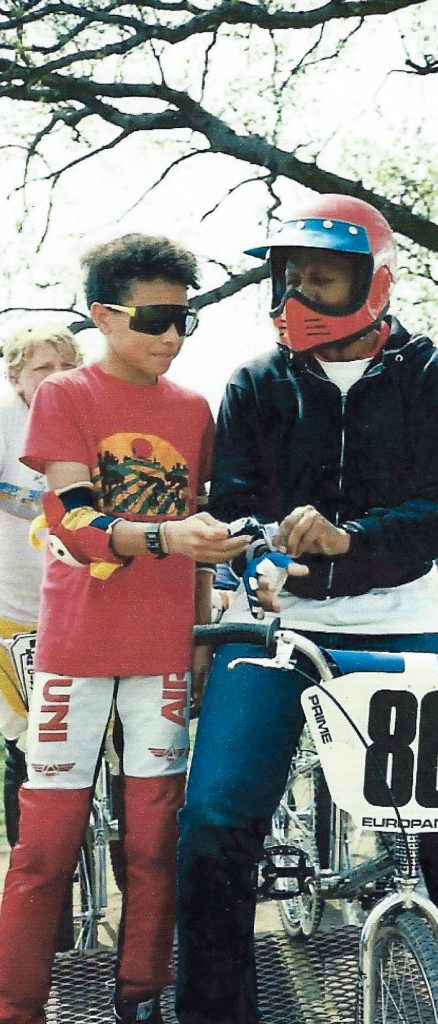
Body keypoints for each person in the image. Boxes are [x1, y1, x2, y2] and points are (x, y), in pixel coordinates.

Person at [176, 195, 438, 1024]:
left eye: (321, 280)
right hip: (273, 629)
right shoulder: (255, 382)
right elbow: (233, 505)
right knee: (213, 822)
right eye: (289, 278)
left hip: (399, 623)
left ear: (372, 283)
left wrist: (352, 538)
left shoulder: (429, 374)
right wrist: (262, 547)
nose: (298, 297)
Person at [0, 233, 250, 1024]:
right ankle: (17, 1007)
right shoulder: (66, 396)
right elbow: (72, 520)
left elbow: (202, 536)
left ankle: (140, 996)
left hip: (163, 650)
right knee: (44, 848)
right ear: (104, 316)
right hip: (75, 651)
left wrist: (200, 631)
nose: (172, 336)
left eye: (184, 319)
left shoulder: (193, 409)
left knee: (152, 844)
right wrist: (167, 537)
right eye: (154, 319)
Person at [0, 323, 82, 849]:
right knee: (27, 745)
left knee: (99, 742)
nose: (56, 378)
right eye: (42, 368)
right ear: (16, 378)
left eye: (67, 367)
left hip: (80, 609)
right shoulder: (5, 423)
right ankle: (32, 876)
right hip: (13, 609)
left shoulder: (89, 417)